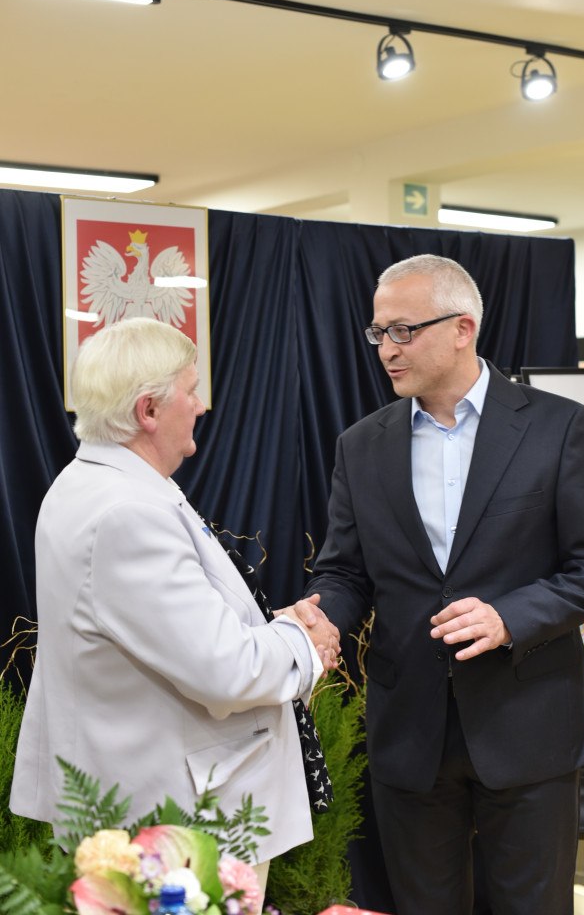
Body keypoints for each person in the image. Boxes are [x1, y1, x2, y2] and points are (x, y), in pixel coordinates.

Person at [298, 254, 584, 915]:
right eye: (378, 333)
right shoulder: (361, 445)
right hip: (410, 734)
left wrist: (510, 617)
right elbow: (345, 572)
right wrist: (319, 616)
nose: (386, 350)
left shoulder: (558, 426)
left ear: (462, 329)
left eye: (403, 330)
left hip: (529, 725)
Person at [10, 316, 340, 907]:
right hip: (178, 828)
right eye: (191, 389)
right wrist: (302, 641)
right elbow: (226, 670)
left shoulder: (93, 485)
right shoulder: (126, 513)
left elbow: (185, 631)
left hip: (153, 805)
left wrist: (276, 629)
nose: (202, 404)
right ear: (148, 411)